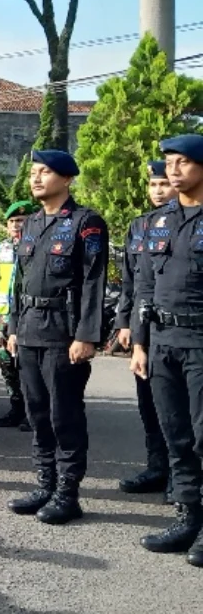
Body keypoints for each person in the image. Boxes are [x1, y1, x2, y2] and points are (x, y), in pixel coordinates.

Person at [5, 150, 108, 525]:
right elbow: (19, 280)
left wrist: (86, 334)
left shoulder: (86, 222)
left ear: (66, 179)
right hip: (30, 328)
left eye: (44, 172)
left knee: (64, 414)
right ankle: (45, 483)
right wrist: (13, 327)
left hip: (63, 333)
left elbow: (93, 281)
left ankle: (68, 492)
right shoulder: (31, 223)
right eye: (33, 172)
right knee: (37, 413)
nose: (35, 178)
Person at [131, 134, 203, 566]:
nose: (172, 170)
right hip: (162, 343)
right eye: (168, 163)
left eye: (181, 162)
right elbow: (144, 284)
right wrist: (140, 341)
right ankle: (188, 517)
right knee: (176, 436)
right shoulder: (160, 221)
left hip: (200, 342)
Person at [115, 161, 174, 499]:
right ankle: (157, 466)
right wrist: (124, 321)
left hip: (177, 325)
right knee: (148, 402)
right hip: (143, 323)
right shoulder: (140, 226)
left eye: (164, 184)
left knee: (176, 407)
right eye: (153, 185)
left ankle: (181, 478)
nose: (158, 191)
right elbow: (131, 281)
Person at [0, 201, 36, 431]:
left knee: (27, 364)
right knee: (6, 363)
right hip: (4, 316)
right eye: (13, 221)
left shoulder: (36, 245)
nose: (17, 225)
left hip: (28, 315)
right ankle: (15, 407)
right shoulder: (2, 248)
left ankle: (32, 411)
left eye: (21, 220)